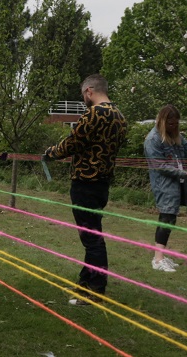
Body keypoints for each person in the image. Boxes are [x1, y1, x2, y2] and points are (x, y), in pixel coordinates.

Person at [44, 74, 128, 305]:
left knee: (92, 239)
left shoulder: (95, 113)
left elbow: (73, 142)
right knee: (91, 235)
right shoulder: (120, 116)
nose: (84, 100)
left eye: (83, 95)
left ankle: (95, 290)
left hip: (85, 183)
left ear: (89, 91)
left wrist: (50, 153)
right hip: (102, 184)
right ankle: (85, 281)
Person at [144, 105, 187, 272]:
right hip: (164, 184)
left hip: (178, 182)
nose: (174, 127)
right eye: (170, 124)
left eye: (176, 124)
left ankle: (160, 255)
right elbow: (160, 166)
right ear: (162, 121)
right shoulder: (152, 140)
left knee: (171, 217)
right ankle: (157, 259)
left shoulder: (176, 136)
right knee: (166, 216)